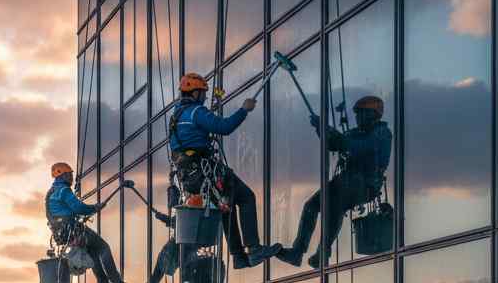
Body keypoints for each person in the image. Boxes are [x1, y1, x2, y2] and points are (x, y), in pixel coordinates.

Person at [168, 73, 280, 269]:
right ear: (195, 93)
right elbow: (225, 127)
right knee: (246, 197)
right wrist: (244, 110)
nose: (204, 97)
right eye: (202, 93)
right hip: (206, 172)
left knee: (226, 206)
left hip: (190, 177)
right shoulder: (196, 112)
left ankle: (238, 256)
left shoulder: (177, 116)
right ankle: (253, 249)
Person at [276, 95, 393, 269]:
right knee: (311, 205)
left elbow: (359, 146)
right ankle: (297, 251)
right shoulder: (357, 133)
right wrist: (321, 129)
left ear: (373, 115)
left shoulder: (381, 133)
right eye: (357, 115)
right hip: (346, 182)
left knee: (336, 206)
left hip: (364, 185)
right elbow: (334, 143)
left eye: (361, 114)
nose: (358, 118)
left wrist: (337, 137)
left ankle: (323, 251)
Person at [46, 162, 138, 283]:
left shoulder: (51, 192)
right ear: (62, 175)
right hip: (73, 230)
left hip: (63, 233)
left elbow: (64, 210)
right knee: (103, 247)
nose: (71, 178)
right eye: (69, 175)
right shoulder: (63, 191)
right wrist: (94, 207)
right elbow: (79, 208)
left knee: (94, 254)